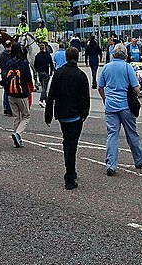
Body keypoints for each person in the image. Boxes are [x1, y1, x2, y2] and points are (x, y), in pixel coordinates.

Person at [98, 44, 142, 175]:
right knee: (131, 133)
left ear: (113, 54)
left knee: (112, 135)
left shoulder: (106, 67)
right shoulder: (128, 67)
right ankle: (139, 158)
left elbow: (100, 87)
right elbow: (136, 88)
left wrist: (105, 99)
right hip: (125, 105)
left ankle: (111, 165)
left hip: (110, 105)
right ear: (125, 55)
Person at [45, 47, 90, 190]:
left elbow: (51, 95)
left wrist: (48, 115)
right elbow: (85, 98)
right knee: (72, 145)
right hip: (75, 115)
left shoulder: (59, 73)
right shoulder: (81, 75)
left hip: (62, 114)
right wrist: (84, 114)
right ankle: (70, 176)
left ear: (66, 57)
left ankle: (71, 171)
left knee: (67, 142)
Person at [4, 43, 33, 147]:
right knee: (26, 116)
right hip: (21, 93)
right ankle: (17, 134)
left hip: (10, 93)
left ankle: (17, 139)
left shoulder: (9, 63)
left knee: (16, 117)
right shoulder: (24, 63)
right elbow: (28, 78)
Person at [33, 42, 54, 106]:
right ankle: (41, 100)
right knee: (44, 88)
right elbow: (51, 64)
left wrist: (37, 71)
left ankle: (47, 100)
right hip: (46, 72)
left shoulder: (37, 56)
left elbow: (35, 65)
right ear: (45, 48)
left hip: (40, 73)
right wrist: (51, 72)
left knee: (43, 87)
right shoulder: (48, 55)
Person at [0, 40, 14, 116]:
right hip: (12, 74)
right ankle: (10, 110)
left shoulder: (1, 55)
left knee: (5, 92)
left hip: (4, 74)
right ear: (11, 46)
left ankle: (5, 108)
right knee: (11, 92)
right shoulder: (13, 55)